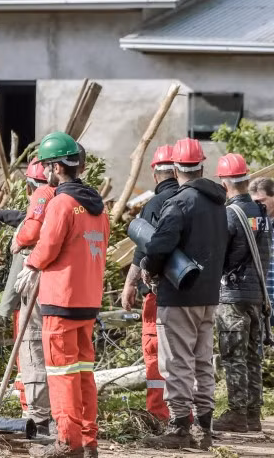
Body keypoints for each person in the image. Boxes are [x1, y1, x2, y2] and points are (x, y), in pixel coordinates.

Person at [22, 132, 109, 458]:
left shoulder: (61, 203)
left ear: (58, 166)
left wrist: (31, 264)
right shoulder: (98, 208)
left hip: (60, 300)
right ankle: (87, 443)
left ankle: (67, 442)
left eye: (46, 165)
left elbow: (48, 245)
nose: (44, 172)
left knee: (61, 374)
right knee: (83, 373)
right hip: (88, 301)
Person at [140, 138, 228, 450]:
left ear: (175, 169)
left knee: (176, 362)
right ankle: (204, 427)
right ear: (202, 166)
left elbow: (160, 244)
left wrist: (149, 266)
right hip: (208, 296)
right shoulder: (220, 203)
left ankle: (178, 427)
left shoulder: (178, 203)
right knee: (203, 361)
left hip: (179, 297)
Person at [0, 158, 55, 435]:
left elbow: (30, 229)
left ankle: (37, 418)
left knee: (32, 345)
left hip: (37, 284)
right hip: (66, 291)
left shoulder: (42, 194)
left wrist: (19, 241)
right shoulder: (72, 199)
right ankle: (50, 412)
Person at [212, 154, 270, 433]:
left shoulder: (229, 215)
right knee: (252, 354)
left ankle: (237, 414)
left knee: (233, 355)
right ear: (246, 179)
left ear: (224, 183)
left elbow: (220, 257)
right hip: (257, 296)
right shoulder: (262, 213)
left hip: (233, 296)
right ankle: (253, 415)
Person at [121, 145, 179, 422]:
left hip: (159, 293)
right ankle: (187, 413)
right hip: (195, 295)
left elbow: (143, 249)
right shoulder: (198, 202)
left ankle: (160, 413)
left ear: (155, 174)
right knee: (188, 351)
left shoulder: (154, 205)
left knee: (155, 350)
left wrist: (130, 284)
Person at [249, 177, 274, 318]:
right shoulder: (251, 225)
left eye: (261, 201)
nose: (257, 206)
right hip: (260, 302)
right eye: (254, 202)